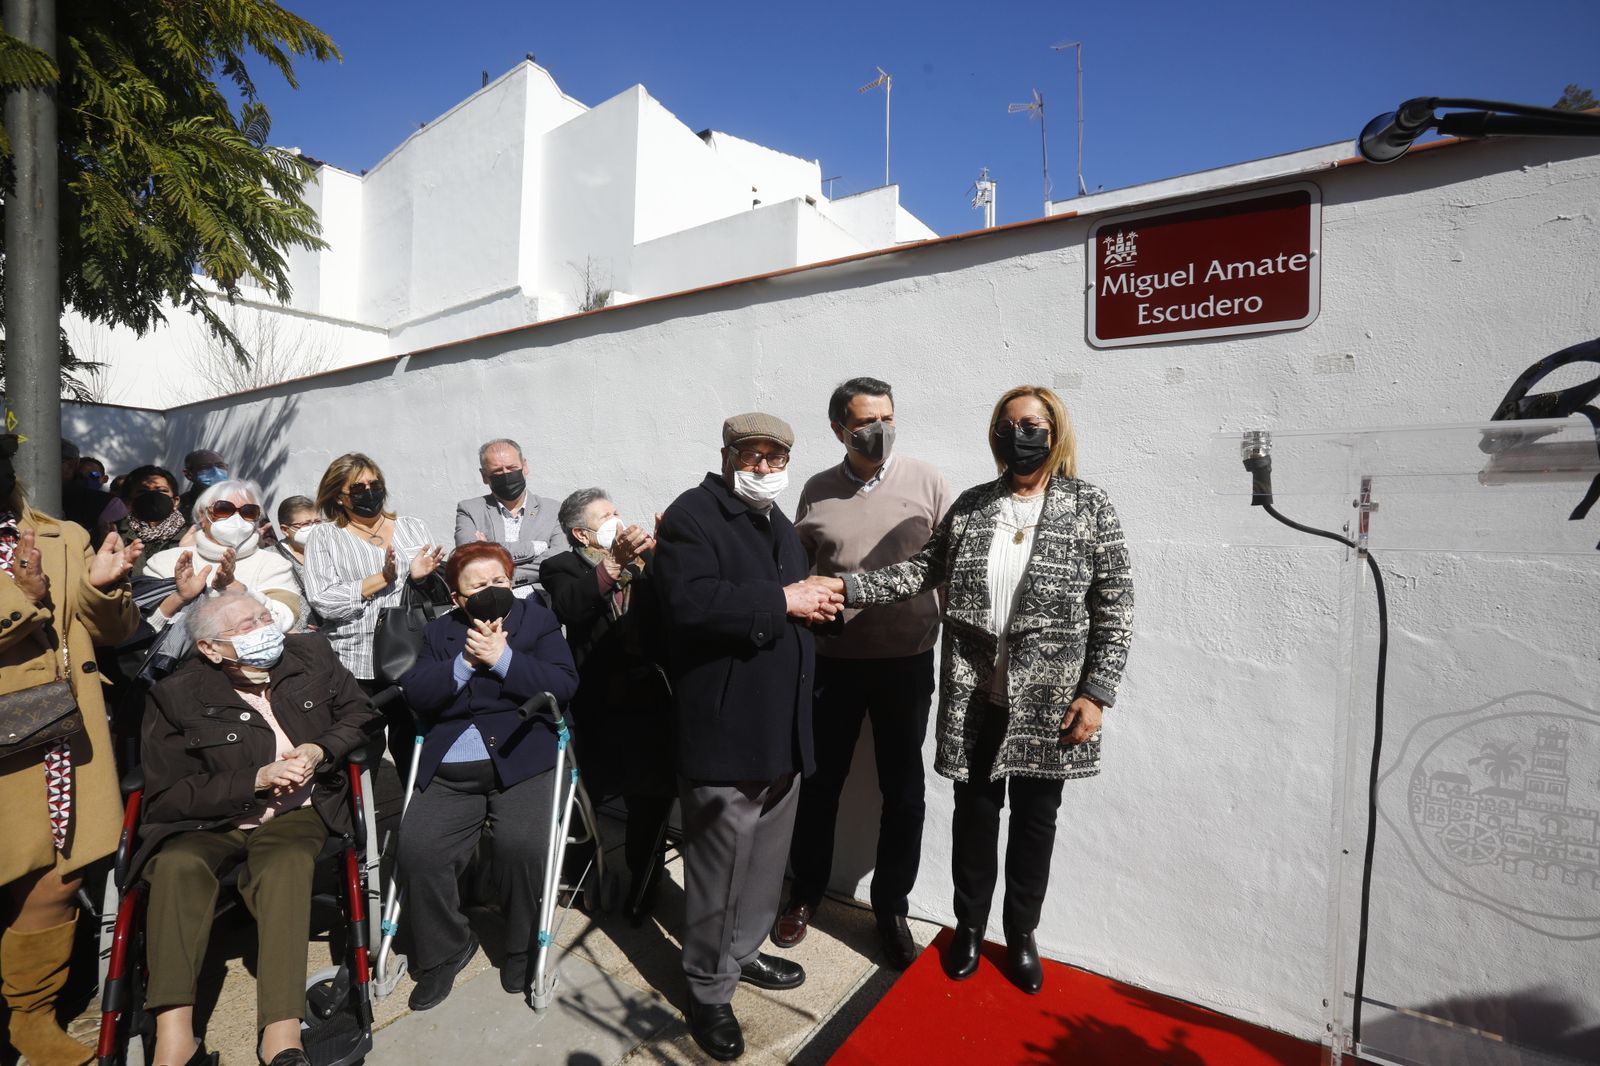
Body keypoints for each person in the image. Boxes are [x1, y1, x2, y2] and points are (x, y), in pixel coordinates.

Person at [810, 385, 1134, 995]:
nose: (1021, 435)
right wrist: (845, 590)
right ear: (995, 435)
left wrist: (1097, 691)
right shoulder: (973, 505)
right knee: (975, 820)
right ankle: (969, 928)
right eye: (1009, 426)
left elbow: (1115, 606)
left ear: (1055, 431)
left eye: (1034, 425)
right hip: (978, 697)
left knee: (1036, 824)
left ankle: (1021, 936)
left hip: (1052, 702)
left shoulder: (1089, 505)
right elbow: (919, 570)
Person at [653, 413, 842, 1062]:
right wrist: (787, 600)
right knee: (718, 875)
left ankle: (741, 954)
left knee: (763, 865)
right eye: (752, 454)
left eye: (776, 455)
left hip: (781, 732)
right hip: (727, 732)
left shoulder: (781, 527)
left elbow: (787, 604)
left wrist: (821, 605)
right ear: (728, 454)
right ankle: (708, 989)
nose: (764, 467)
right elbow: (689, 605)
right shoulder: (693, 516)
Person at [134, 591, 378, 1066]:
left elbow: (360, 713)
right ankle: (174, 1040)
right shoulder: (176, 694)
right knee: (176, 866)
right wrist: (254, 778)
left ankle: (282, 1035)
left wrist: (318, 749)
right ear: (210, 648)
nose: (264, 627)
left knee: (286, 864)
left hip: (298, 813)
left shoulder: (311, 654)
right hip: (212, 821)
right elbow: (167, 796)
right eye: (246, 625)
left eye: (264, 616)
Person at [772, 377, 950, 969]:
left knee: (903, 790)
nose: (880, 430)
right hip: (832, 665)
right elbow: (800, 568)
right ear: (838, 429)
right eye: (866, 421)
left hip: (906, 663)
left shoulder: (927, 481)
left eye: (888, 418)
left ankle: (891, 908)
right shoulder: (818, 490)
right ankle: (805, 893)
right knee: (819, 782)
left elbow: (948, 565)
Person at [0, 433, 142, 1066]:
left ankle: (32, 1015)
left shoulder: (62, 536)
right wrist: (18, 599)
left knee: (55, 881)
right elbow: (26, 608)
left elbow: (109, 629)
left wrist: (104, 588)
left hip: (53, 734)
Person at [396, 543, 578, 1009]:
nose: (491, 591)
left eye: (498, 581)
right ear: (457, 598)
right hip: (452, 762)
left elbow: (563, 684)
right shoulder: (440, 632)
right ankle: (445, 951)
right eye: (477, 586)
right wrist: (463, 665)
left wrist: (504, 660)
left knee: (523, 845)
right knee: (419, 849)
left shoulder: (536, 621)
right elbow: (417, 692)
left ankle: (520, 947)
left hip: (524, 756)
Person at [539, 488, 673, 926]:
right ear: (582, 533)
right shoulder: (560, 566)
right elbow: (569, 607)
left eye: (618, 511)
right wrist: (612, 563)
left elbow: (677, 601)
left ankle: (643, 880)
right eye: (606, 516)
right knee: (585, 796)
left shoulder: (644, 562)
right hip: (596, 703)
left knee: (649, 799)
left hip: (649, 700)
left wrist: (665, 549)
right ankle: (580, 875)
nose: (619, 519)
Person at [301, 453, 442, 778]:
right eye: (358, 487)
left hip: (414, 653)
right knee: (361, 750)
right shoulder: (325, 536)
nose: (369, 492)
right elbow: (323, 600)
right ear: (339, 495)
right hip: (356, 661)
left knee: (418, 743)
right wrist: (383, 579)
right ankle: (360, 825)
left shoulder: (412, 526)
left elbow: (435, 590)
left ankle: (419, 818)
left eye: (374, 484)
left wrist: (421, 576)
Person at [142, 479, 303, 640]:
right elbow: (143, 627)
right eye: (224, 509)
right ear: (202, 516)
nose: (237, 518)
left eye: (248, 512)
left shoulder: (274, 563)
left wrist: (239, 591)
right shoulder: (165, 562)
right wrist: (180, 598)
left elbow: (285, 619)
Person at [453, 438, 563, 598]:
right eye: (497, 471)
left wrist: (490, 553)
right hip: (491, 604)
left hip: (541, 601)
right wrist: (533, 548)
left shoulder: (553, 510)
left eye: (512, 468)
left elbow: (557, 560)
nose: (506, 475)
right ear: (484, 476)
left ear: (524, 466)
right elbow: (469, 557)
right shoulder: (470, 509)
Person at [97, 466, 187, 572]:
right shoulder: (112, 533)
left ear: (176, 501)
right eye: (143, 492)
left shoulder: (189, 537)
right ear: (128, 501)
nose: (153, 497)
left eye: (162, 491)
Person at [273, 495, 323, 630]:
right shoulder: (272, 558)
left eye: (317, 522)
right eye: (305, 524)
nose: (313, 528)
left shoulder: (329, 551)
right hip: (299, 639)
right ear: (285, 530)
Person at [60, 441, 109, 534]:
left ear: (104, 479)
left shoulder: (110, 504)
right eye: (79, 476)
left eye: (93, 476)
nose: (85, 480)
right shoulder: (64, 500)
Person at [176, 449, 229, 524]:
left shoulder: (238, 500)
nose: (217, 472)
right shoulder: (180, 506)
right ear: (188, 474)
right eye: (205, 468)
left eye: (220, 466)